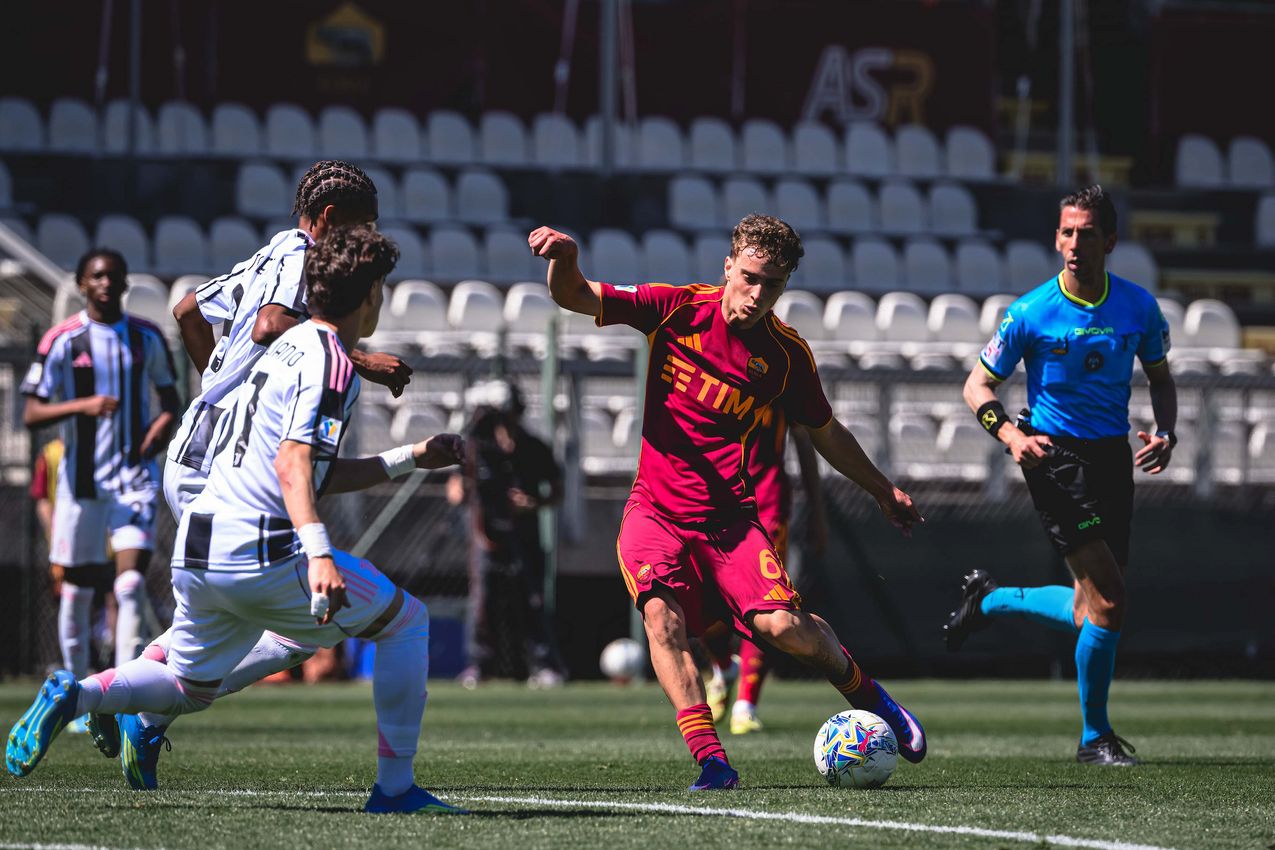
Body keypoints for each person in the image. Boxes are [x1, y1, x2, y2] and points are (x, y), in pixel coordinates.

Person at [6, 225, 466, 815]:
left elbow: (308, 468)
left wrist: (411, 457)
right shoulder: (331, 363)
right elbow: (296, 464)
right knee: (406, 621)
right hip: (263, 553)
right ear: (370, 295)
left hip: (197, 547)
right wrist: (319, 551)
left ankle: (81, 695)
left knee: (186, 687)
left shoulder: (275, 353)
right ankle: (396, 790)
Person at [529, 215, 926, 790]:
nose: (757, 294)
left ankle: (871, 696)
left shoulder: (787, 355)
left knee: (786, 629)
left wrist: (882, 489)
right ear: (728, 266)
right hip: (655, 513)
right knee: (661, 620)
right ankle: (713, 760)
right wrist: (565, 257)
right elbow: (575, 295)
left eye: (772, 285)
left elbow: (827, 431)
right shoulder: (676, 308)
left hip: (731, 523)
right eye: (749, 278)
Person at [90, 160, 413, 789]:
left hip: (198, 448)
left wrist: (220, 385)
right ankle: (138, 710)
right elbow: (269, 325)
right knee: (300, 627)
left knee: (227, 621)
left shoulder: (268, 254)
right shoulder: (300, 262)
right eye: (356, 228)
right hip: (221, 469)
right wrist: (363, 359)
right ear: (324, 222)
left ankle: (121, 697)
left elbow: (186, 309)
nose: (361, 243)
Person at [945, 185, 1177, 767]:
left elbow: (1161, 378)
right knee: (1112, 598)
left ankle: (991, 600)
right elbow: (976, 386)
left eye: (1088, 233)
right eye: (1067, 232)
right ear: (1056, 238)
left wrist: (1166, 430)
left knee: (1087, 608)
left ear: (1110, 241)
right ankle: (1094, 736)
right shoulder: (1029, 312)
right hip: (1054, 459)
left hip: (1112, 461)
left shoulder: (1139, 307)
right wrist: (1012, 436)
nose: (1075, 243)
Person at [20, 249, 180, 734]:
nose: (106, 283)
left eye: (114, 276)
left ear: (125, 284)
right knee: (77, 592)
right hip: (81, 485)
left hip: (133, 480)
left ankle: (120, 691)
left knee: (129, 585)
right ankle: (69, 695)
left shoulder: (146, 337)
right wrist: (84, 404)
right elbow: (31, 412)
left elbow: (171, 401)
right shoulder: (62, 340)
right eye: (97, 276)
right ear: (82, 284)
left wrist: (161, 428)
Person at [704, 418, 826, 735]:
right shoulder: (710, 374)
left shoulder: (780, 374)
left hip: (767, 504)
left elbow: (804, 439)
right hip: (713, 502)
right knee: (705, 604)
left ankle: (746, 704)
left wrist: (817, 510)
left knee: (763, 602)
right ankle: (723, 666)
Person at [454, 381, 566, 689]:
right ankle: (479, 665)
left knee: (532, 599)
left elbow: (557, 490)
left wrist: (532, 504)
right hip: (485, 533)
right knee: (483, 600)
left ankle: (543, 665)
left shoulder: (534, 446)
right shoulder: (477, 448)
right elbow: (454, 489)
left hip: (524, 533)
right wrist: (470, 492)